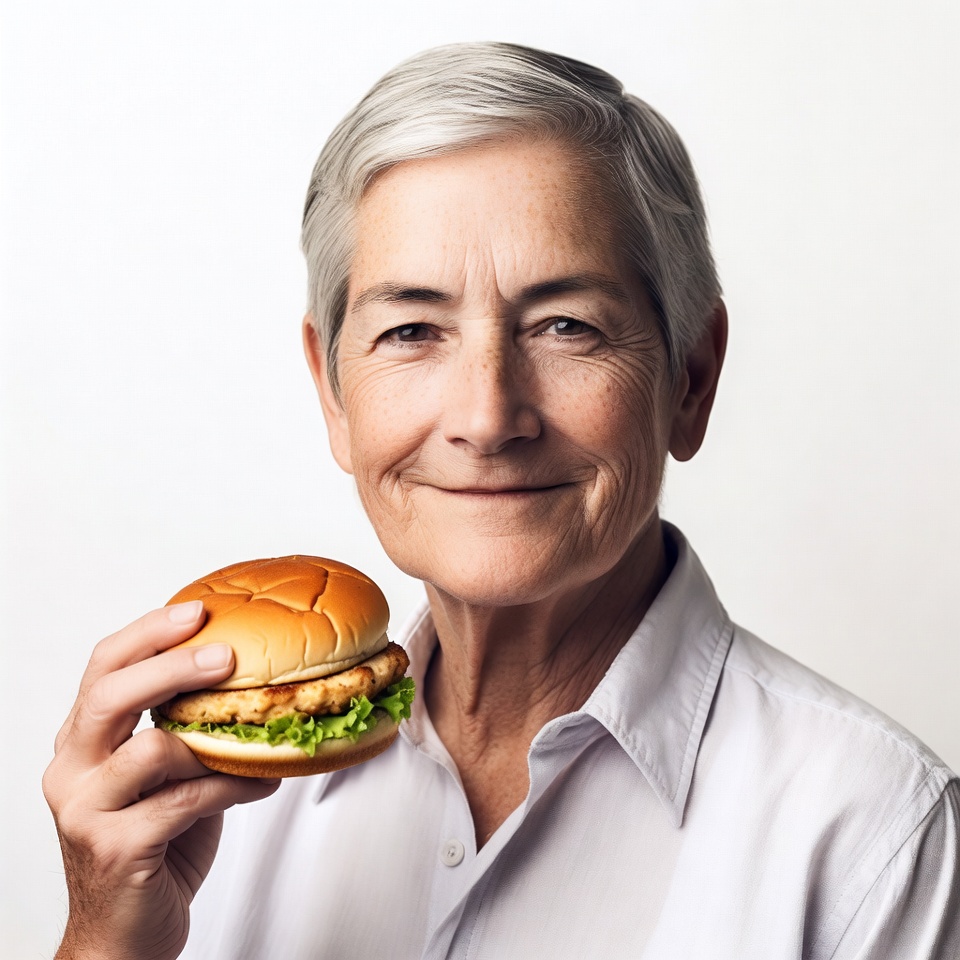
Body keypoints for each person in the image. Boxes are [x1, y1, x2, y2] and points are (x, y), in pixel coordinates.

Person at [43, 42, 959, 960]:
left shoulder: (875, 835)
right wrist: (101, 941)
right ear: (333, 394)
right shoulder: (199, 810)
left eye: (566, 326)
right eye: (412, 330)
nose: (487, 418)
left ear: (691, 379)